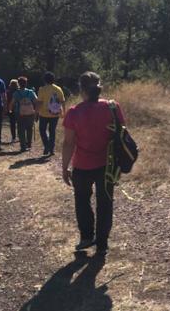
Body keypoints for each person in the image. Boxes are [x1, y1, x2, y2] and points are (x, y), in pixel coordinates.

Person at [62, 71, 125, 256]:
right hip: (108, 164)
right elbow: (120, 134)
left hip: (82, 165)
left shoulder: (74, 112)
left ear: (81, 88)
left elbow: (68, 143)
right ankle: (102, 243)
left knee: (82, 201)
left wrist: (65, 167)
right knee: (105, 203)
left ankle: (86, 237)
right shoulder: (113, 107)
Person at [38, 71, 66, 156]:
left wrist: (36, 113)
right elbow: (63, 101)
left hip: (43, 114)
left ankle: (47, 145)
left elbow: (39, 102)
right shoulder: (58, 89)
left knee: (42, 130)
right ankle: (51, 149)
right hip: (55, 113)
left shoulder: (42, 89)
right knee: (52, 131)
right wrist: (64, 112)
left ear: (44, 80)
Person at [9, 77, 38, 152]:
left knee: (21, 129)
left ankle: (23, 146)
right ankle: (29, 144)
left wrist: (10, 110)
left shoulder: (16, 93)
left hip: (19, 113)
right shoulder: (31, 92)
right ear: (26, 84)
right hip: (30, 113)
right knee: (29, 128)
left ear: (19, 84)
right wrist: (36, 111)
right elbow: (36, 102)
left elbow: (12, 103)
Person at [7, 79, 19, 143]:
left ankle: (13, 137)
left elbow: (7, 101)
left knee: (12, 124)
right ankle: (19, 135)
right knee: (19, 123)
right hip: (19, 109)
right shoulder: (19, 91)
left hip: (11, 109)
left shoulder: (8, 92)